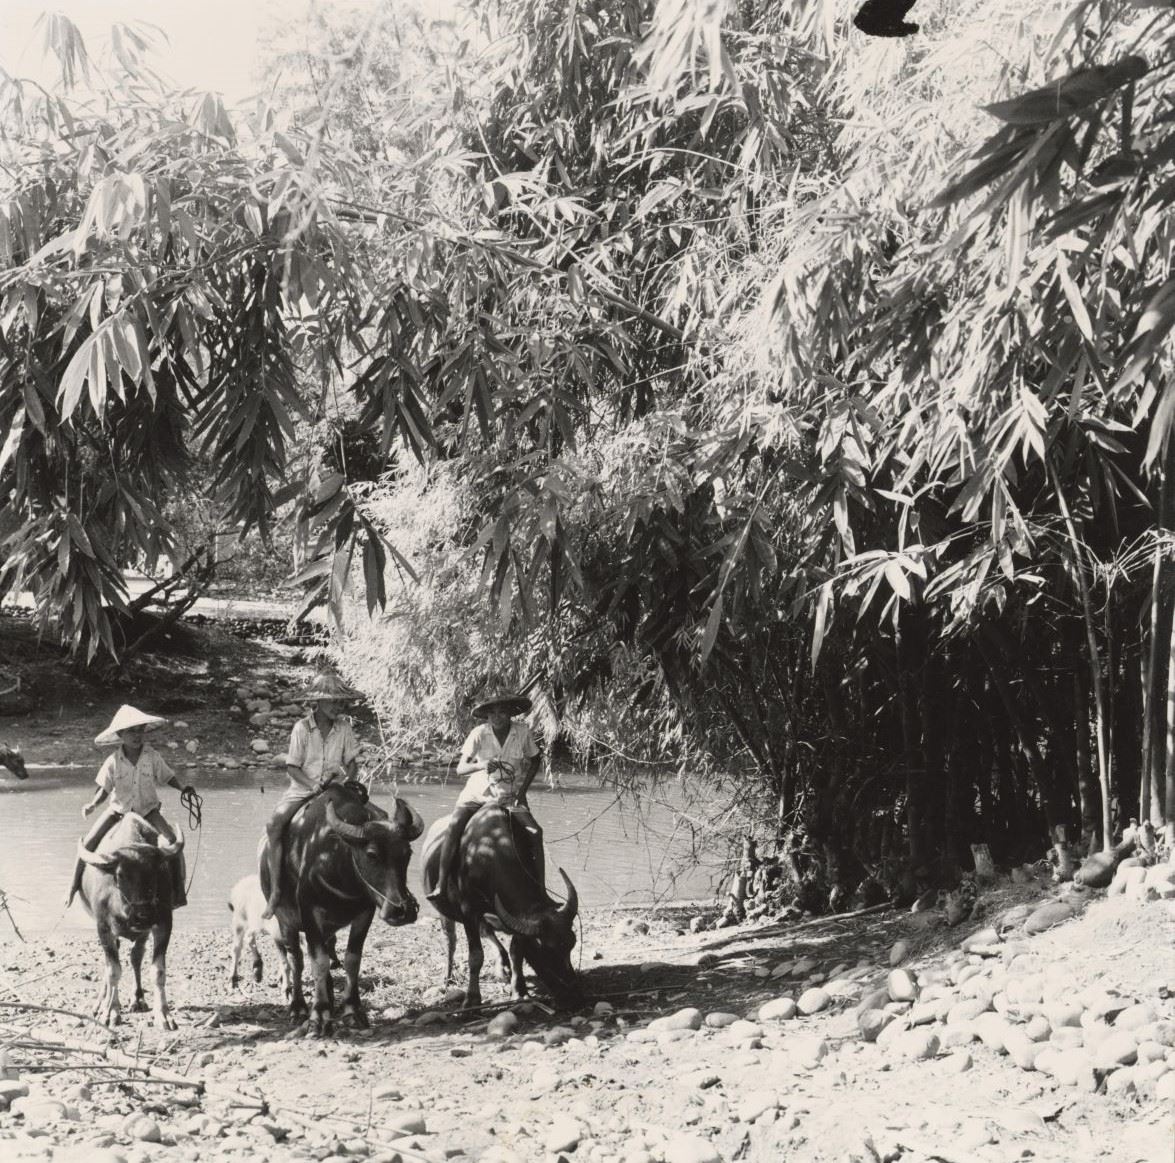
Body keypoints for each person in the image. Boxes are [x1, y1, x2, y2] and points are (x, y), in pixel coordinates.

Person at [67, 705, 193, 908]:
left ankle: (177, 892)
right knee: (88, 843)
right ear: (120, 735)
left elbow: (167, 776)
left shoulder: (152, 756)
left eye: (140, 730)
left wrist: (183, 788)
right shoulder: (113, 761)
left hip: (148, 811)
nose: (137, 736)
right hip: (118, 811)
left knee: (172, 842)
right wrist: (92, 804)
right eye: (131, 731)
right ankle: (72, 887)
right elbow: (104, 789)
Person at [261, 672, 362, 918]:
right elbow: (292, 768)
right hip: (304, 790)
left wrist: (347, 778)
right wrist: (313, 786)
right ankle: (275, 891)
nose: (338, 706)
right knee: (274, 826)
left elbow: (352, 764)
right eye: (332, 701)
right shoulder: (302, 728)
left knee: (373, 822)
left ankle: (366, 890)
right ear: (317, 702)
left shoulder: (345, 727)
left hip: (337, 789)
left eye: (340, 702)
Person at [427, 692, 540, 903]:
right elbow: (461, 769)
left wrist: (522, 792)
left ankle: (539, 889)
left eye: (502, 712)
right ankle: (441, 884)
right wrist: (481, 765)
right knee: (453, 827)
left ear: (511, 714)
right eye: (492, 713)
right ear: (487, 716)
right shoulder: (479, 733)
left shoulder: (522, 732)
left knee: (535, 832)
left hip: (509, 796)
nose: (497, 717)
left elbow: (535, 760)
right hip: (477, 794)